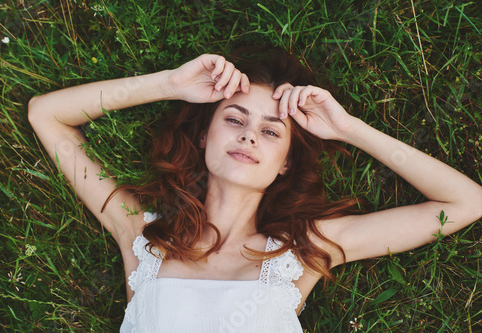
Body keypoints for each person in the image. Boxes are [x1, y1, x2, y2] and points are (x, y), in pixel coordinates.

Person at [27, 49, 482, 333]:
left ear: (286, 163)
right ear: (204, 135)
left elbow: (465, 203)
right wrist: (169, 84)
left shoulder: (305, 250)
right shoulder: (141, 238)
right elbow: (45, 115)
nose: (248, 137)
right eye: (234, 119)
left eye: (270, 131)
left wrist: (348, 128)